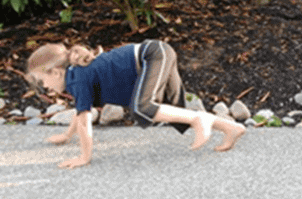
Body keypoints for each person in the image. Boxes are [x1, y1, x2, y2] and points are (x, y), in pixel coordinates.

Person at [25, 40, 246, 169]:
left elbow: (84, 121)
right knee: (176, 113)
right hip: (157, 52)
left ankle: (201, 118)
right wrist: (66, 136)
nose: (46, 88)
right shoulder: (76, 77)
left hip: (151, 56)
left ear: (56, 72)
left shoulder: (77, 79)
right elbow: (81, 112)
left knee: (143, 108)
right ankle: (231, 128)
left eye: (44, 81)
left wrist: (85, 157)